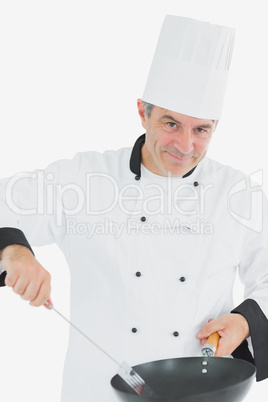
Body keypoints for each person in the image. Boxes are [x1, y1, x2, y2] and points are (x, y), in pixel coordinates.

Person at [0, 15, 268, 402]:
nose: (185, 146)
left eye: (201, 130)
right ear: (143, 111)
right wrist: (15, 250)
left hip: (203, 392)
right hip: (96, 392)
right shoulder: (85, 177)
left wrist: (245, 321)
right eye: (171, 124)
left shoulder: (239, 193)